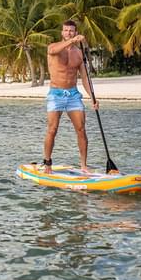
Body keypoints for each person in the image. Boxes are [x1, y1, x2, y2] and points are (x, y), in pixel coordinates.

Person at [42, 20, 99, 174]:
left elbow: (85, 78)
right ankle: (47, 163)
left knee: (81, 129)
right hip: (56, 94)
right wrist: (72, 41)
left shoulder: (79, 53)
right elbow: (54, 51)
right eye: (66, 30)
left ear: (75, 32)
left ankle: (84, 166)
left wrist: (92, 97)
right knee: (52, 129)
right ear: (62, 33)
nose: (68, 33)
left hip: (73, 94)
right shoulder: (53, 47)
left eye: (71, 31)